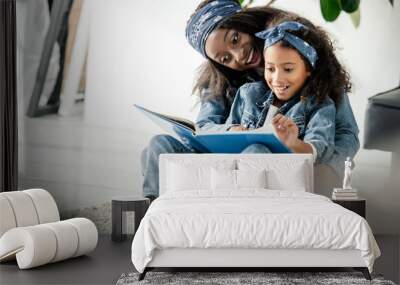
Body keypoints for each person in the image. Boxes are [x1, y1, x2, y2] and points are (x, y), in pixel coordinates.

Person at [141, 0, 359, 200]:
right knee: (159, 145)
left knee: (256, 153)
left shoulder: (308, 68)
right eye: (225, 58)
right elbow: (204, 127)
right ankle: (152, 213)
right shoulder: (241, 89)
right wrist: (231, 131)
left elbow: (344, 135)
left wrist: (316, 167)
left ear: (244, 22)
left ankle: (238, 208)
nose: (239, 56)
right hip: (225, 162)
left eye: (235, 39)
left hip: (273, 165)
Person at [225, 19, 346, 167]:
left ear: (308, 69)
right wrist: (232, 130)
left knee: (258, 150)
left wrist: (293, 143)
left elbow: (320, 152)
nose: (277, 79)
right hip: (238, 171)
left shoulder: (319, 105)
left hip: (282, 178)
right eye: (270, 69)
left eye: (288, 69)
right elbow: (227, 133)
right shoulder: (247, 93)